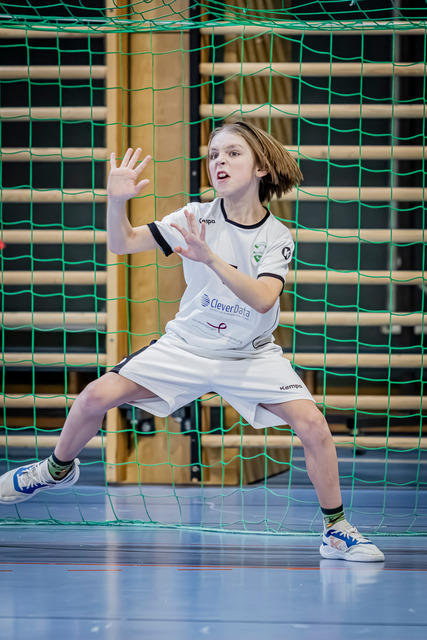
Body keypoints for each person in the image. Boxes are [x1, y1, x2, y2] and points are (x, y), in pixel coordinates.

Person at [0, 120, 384, 562]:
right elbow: (122, 243)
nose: (220, 161)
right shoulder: (192, 217)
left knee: (313, 425)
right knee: (93, 398)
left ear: (260, 167)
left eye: (233, 153)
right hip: (186, 347)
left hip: (249, 354)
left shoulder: (276, 236)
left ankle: (336, 529)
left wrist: (211, 258)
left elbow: (263, 298)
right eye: (214, 154)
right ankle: (55, 469)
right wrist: (116, 200)